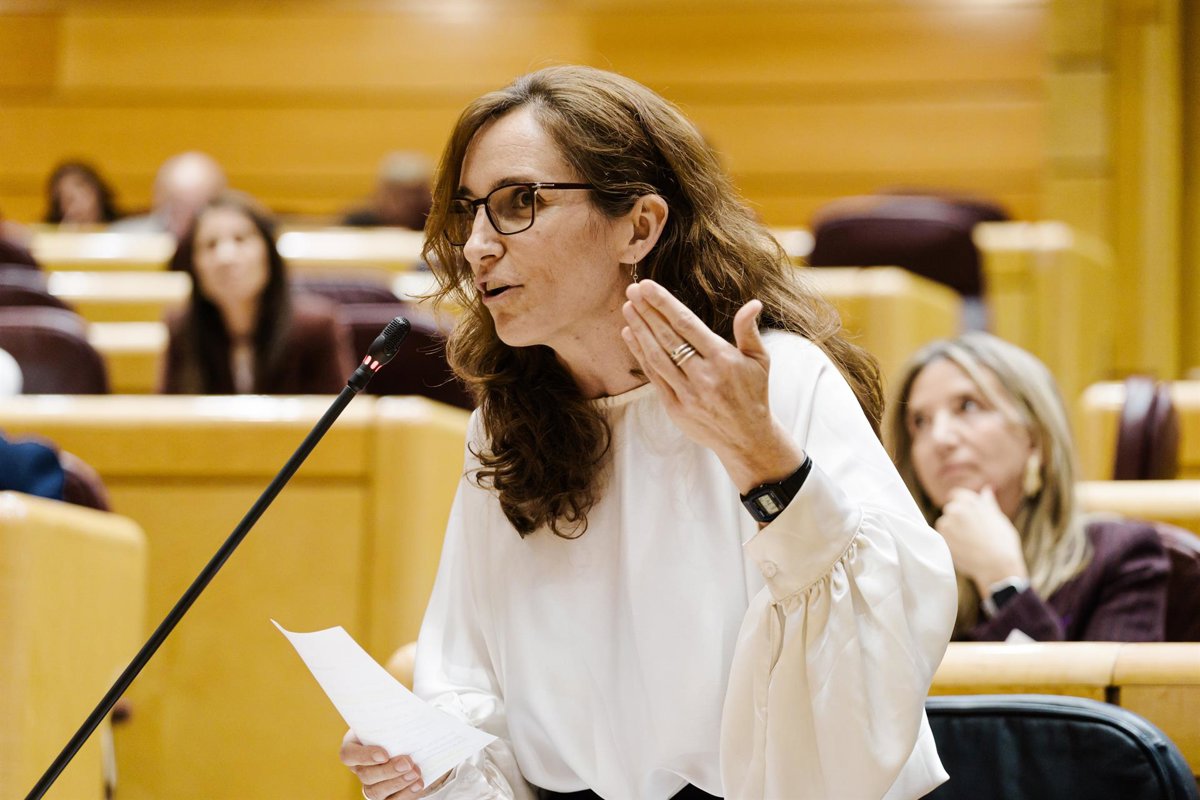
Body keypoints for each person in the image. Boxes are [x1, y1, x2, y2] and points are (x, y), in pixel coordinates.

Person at [338, 66, 956, 800]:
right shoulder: (503, 429)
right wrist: (434, 764)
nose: (476, 246)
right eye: (469, 211)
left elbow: (880, 657)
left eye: (519, 202)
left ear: (639, 226)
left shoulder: (777, 382)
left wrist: (763, 458)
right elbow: (470, 691)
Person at [887, 332, 1170, 642]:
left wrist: (1002, 582)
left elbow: (1072, 678)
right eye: (920, 422)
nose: (940, 438)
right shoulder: (895, 568)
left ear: (1035, 435)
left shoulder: (1122, 558)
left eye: (967, 406)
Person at [159, 191, 352, 394]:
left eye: (240, 239)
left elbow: (347, 411)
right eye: (210, 245)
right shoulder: (182, 329)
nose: (225, 257)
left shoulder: (316, 329)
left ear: (268, 253)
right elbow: (168, 411)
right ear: (194, 265)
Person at [112, 151, 227, 239]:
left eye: (198, 210)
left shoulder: (225, 254)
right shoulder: (121, 241)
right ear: (158, 201)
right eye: (177, 208)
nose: (186, 221)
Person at [341, 151, 433, 229]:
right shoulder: (355, 224)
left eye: (416, 194)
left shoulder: (435, 223)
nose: (409, 202)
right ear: (381, 195)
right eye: (398, 196)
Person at [43, 160, 122, 225]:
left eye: (83, 196)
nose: (76, 207)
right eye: (67, 200)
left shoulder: (125, 229)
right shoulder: (48, 235)